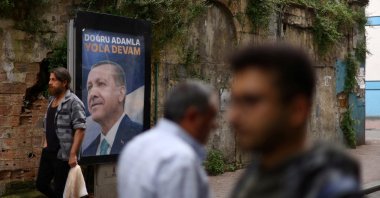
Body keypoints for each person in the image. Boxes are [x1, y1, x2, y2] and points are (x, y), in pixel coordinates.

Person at [228, 44, 362, 198]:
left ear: (297, 110)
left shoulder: (330, 189)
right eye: (234, 101)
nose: (233, 116)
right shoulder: (258, 173)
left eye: (251, 101)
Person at [117, 81, 219, 198]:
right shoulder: (181, 159)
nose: (215, 125)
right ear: (192, 115)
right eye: (211, 117)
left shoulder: (134, 146)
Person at [36, 67, 86, 198]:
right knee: (41, 184)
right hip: (48, 152)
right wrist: (45, 144)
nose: (50, 82)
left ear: (64, 82)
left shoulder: (74, 102)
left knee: (61, 190)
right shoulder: (51, 100)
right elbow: (48, 124)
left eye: (54, 80)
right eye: (49, 79)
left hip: (63, 155)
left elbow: (80, 129)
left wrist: (73, 154)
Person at [82, 61, 142, 156]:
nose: (92, 93)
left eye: (101, 84)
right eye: (89, 87)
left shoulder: (141, 138)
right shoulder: (87, 152)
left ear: (121, 93)